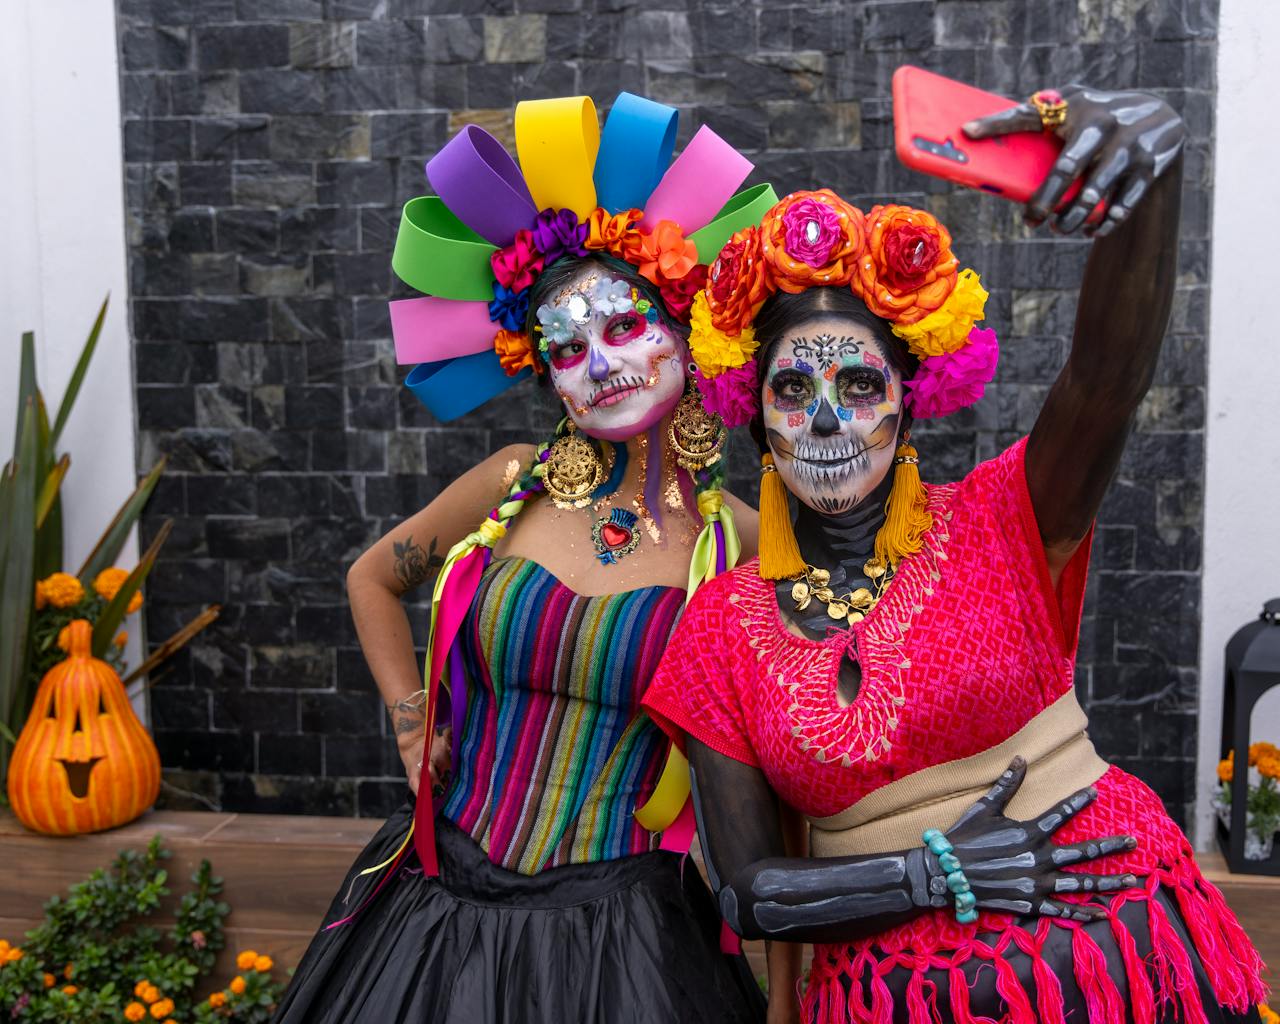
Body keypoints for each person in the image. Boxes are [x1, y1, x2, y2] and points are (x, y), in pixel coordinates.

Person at [642, 83, 1266, 1023]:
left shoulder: (1004, 517)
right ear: (755, 415)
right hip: (892, 1001)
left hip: (1124, 967)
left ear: (909, 396)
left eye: (857, 384)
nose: (823, 420)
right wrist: (930, 875)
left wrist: (1156, 176)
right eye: (793, 389)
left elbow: (1107, 376)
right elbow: (748, 894)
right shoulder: (721, 630)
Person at [273, 93, 788, 1023]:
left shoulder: (742, 543)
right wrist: (405, 724)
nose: (601, 363)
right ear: (539, 366)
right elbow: (373, 578)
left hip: (620, 938)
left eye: (625, 327)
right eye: (566, 346)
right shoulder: (518, 481)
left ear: (686, 330)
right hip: (435, 907)